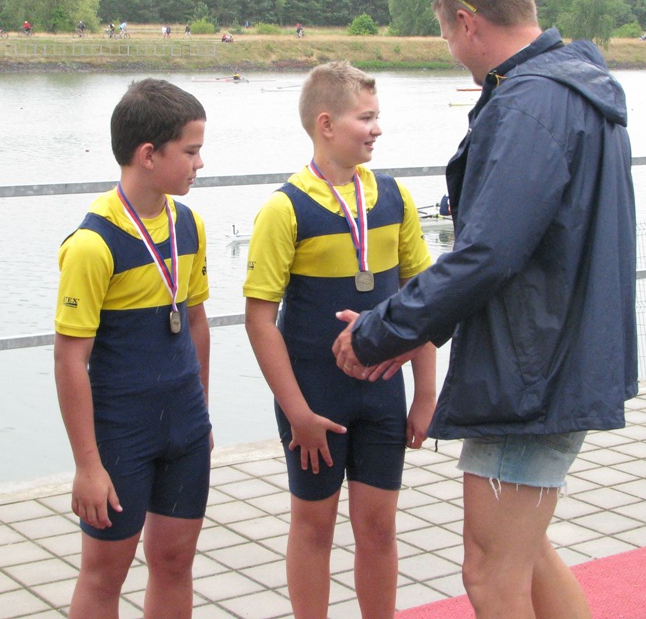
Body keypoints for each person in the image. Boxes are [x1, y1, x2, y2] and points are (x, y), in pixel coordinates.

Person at [333, 0, 638, 619]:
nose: (451, 50)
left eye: (446, 33)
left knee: (490, 571)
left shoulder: (530, 103)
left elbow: (488, 252)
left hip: (531, 372)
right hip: (564, 356)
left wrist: (384, 331)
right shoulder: (577, 89)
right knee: (527, 556)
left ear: (468, 22)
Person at [243, 61, 436, 619]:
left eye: (378, 117)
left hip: (382, 396)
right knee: (314, 528)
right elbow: (260, 321)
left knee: (378, 527)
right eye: (366, 118)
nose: (377, 129)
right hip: (314, 401)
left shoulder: (394, 198)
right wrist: (297, 412)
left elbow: (423, 302)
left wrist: (425, 393)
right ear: (326, 124)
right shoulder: (285, 208)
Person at [54, 78, 212, 619]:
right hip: (122, 432)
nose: (200, 163)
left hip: (185, 425)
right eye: (190, 151)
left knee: (175, 562)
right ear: (148, 154)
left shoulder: (188, 224)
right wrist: (87, 465)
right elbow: (69, 360)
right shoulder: (93, 243)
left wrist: (201, 414)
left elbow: (196, 323)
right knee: (104, 576)